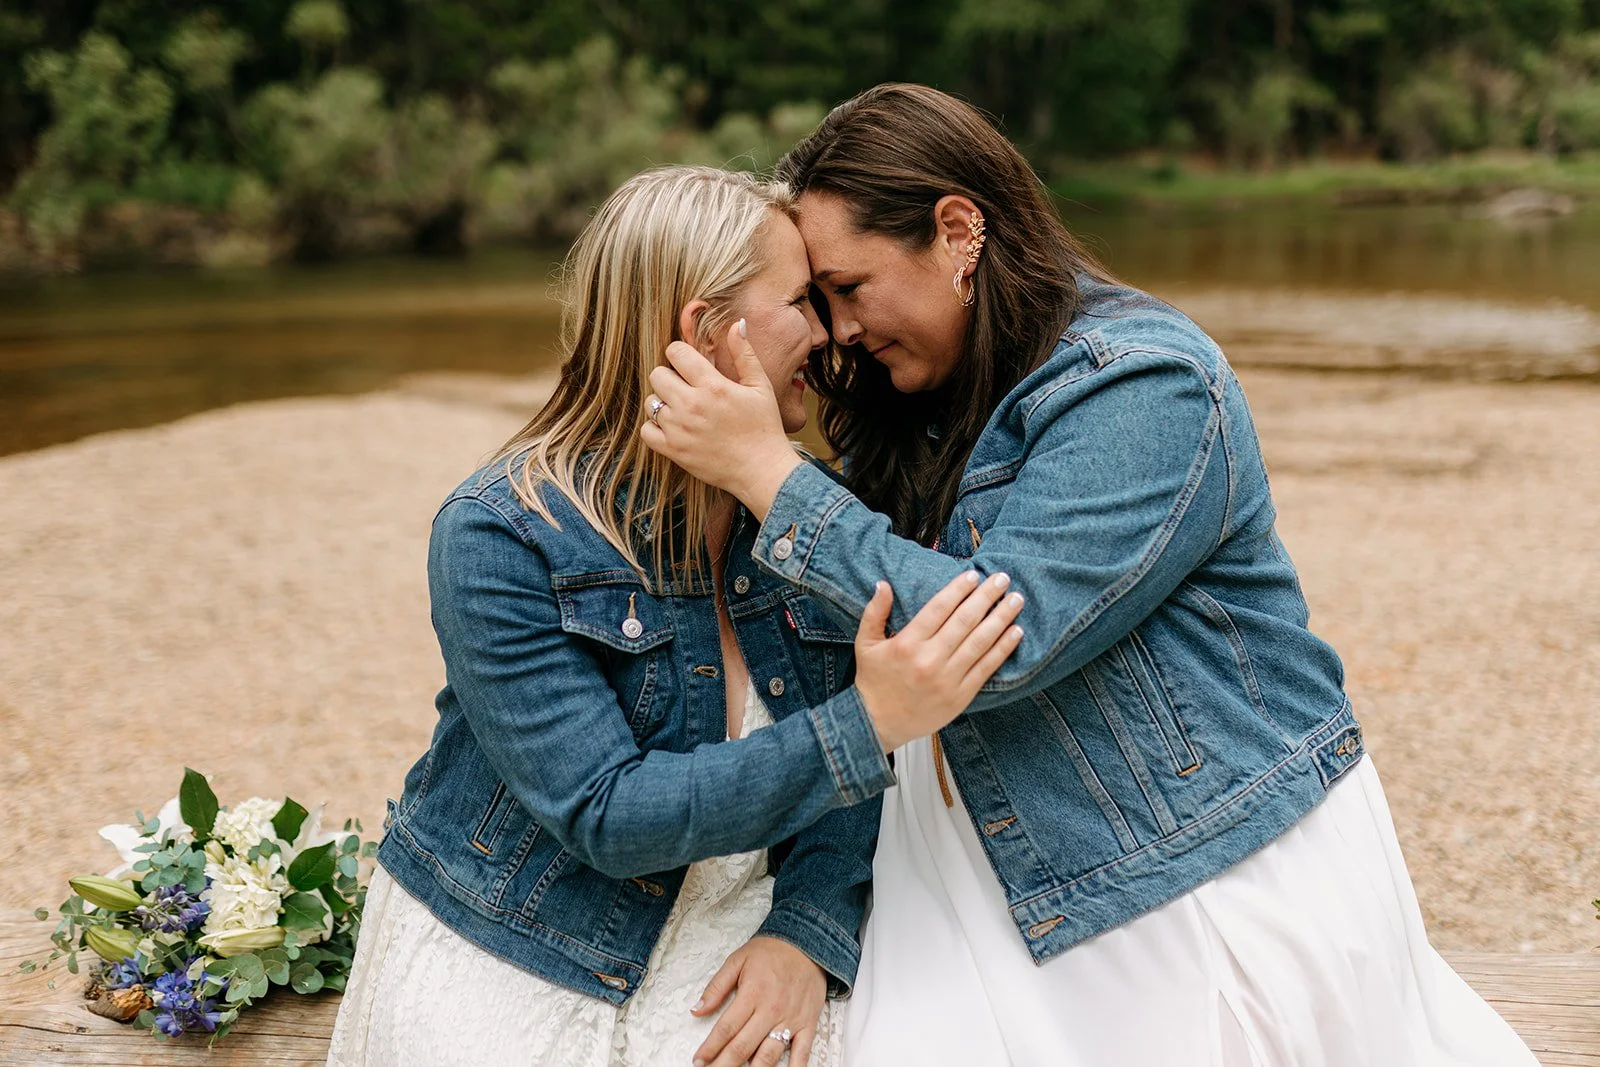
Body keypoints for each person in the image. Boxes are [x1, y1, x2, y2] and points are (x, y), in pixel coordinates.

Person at [639, 85, 1540, 1066]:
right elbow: (850, 655)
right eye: (818, 302)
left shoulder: (1144, 381)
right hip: (963, 866)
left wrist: (767, 475)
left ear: (957, 231)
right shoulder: (917, 400)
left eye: (850, 287)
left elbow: (1003, 640)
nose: (841, 328)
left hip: (1185, 869)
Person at [325, 165, 1025, 1067]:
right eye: (801, 303)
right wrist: (871, 720)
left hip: (735, 924)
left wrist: (805, 931)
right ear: (705, 332)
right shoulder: (500, 533)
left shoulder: (807, 517)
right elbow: (609, 813)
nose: (829, 334)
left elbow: (850, 798)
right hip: (523, 936)